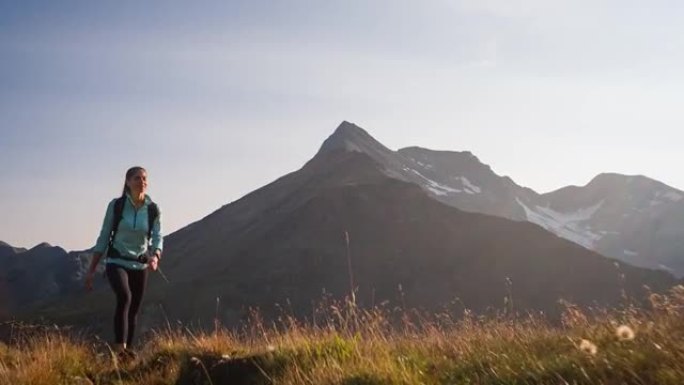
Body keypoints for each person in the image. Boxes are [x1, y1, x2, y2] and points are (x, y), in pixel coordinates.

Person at [85, 166, 163, 360]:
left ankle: (126, 355)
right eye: (137, 178)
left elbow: (157, 236)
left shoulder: (153, 209)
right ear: (128, 182)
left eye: (144, 178)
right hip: (116, 261)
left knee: (134, 310)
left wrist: (156, 255)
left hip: (140, 264)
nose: (142, 181)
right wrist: (92, 269)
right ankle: (120, 349)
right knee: (124, 297)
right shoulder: (117, 206)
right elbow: (104, 236)